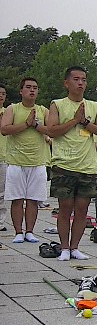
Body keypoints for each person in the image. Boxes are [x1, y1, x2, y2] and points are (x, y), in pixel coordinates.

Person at [47, 67, 97, 260]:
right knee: (65, 208)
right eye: (76, 79)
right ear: (66, 83)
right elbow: (52, 131)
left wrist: (85, 122)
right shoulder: (57, 105)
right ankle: (64, 248)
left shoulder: (94, 106)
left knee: (82, 209)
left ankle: (75, 247)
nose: (80, 83)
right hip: (64, 165)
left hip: (87, 166)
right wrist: (74, 120)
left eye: (84, 80)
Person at [0, 77, 49, 244]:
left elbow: (52, 130)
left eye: (35, 87)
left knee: (33, 199)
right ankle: (18, 232)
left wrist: (35, 125)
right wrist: (26, 124)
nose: (32, 90)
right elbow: (5, 129)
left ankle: (30, 231)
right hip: (16, 161)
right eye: (28, 87)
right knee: (17, 199)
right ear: (21, 91)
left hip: (38, 161)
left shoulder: (43, 110)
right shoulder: (13, 109)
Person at [0, 84, 8, 232]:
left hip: (3, 156)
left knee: (2, 193)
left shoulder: (8, 112)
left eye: (3, 94)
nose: (1, 96)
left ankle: (0, 222)